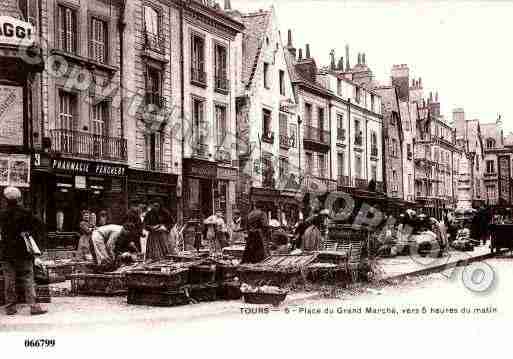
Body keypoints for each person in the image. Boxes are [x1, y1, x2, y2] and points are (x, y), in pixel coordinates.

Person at [0, 187, 47, 315]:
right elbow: (40, 225)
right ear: (19, 198)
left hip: (6, 252)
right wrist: (29, 234)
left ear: (5, 199)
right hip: (23, 251)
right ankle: (33, 306)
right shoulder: (26, 213)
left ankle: (10, 307)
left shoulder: (2, 214)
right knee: (28, 278)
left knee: (9, 280)